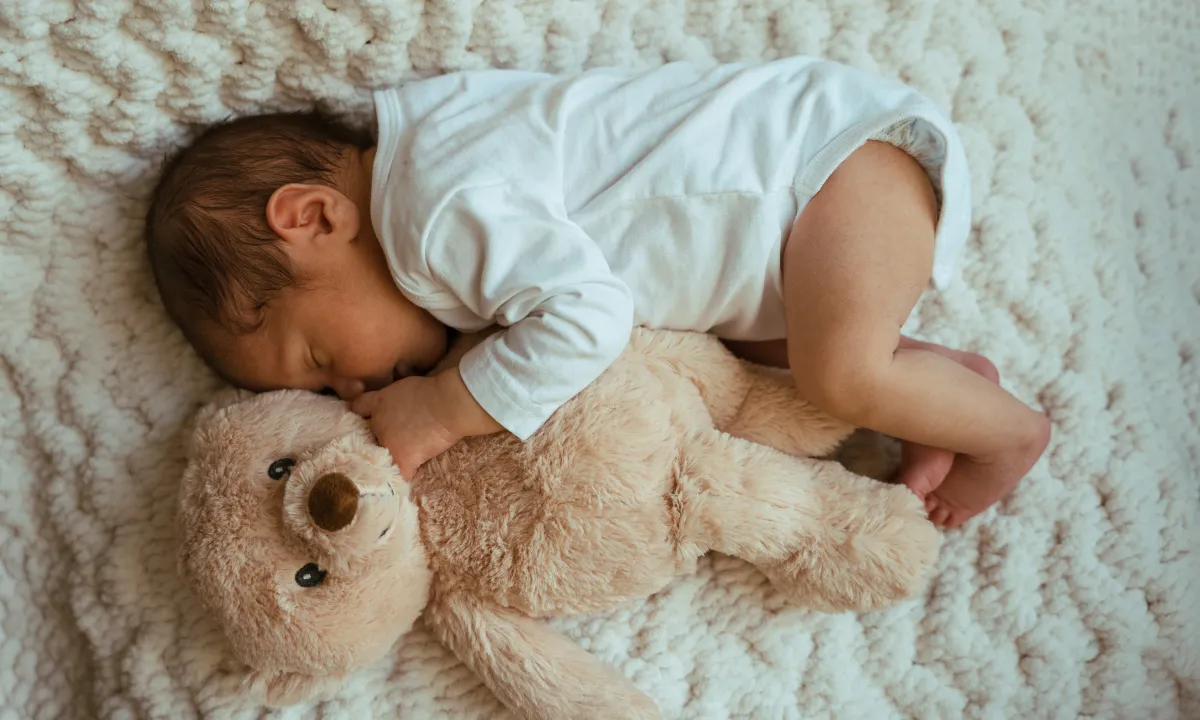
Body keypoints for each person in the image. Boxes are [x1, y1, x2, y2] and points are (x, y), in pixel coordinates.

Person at [145, 57, 1050, 528]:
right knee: (771, 368)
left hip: (825, 170)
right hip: (781, 249)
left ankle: (1009, 436)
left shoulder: (431, 210)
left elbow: (589, 316)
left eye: (318, 359)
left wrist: (447, 408)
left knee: (834, 374)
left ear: (310, 216)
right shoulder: (436, 192)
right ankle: (943, 387)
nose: (346, 392)